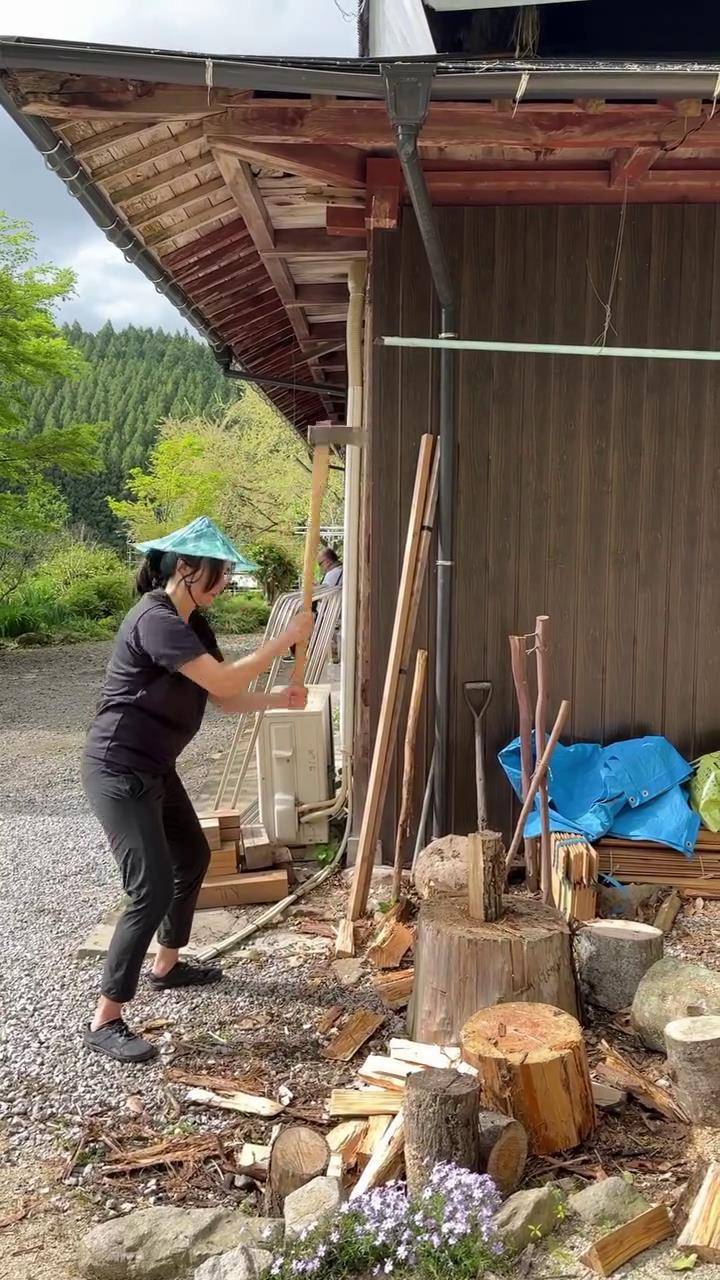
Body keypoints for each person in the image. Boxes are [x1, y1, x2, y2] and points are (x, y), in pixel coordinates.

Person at [81, 516, 312, 1065]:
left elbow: (227, 698)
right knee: (151, 887)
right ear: (185, 569)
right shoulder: (155, 620)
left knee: (193, 855)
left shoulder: (193, 626)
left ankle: (167, 964)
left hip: (156, 767)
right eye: (219, 572)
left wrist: (279, 699)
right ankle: (105, 1017)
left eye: (229, 573)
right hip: (118, 769)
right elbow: (227, 682)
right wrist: (282, 642)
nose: (225, 581)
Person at [317, 546, 343, 663]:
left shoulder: (333, 573)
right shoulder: (341, 570)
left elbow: (325, 596)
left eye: (320, 564)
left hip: (335, 614)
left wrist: (315, 588)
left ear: (327, 562)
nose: (320, 567)